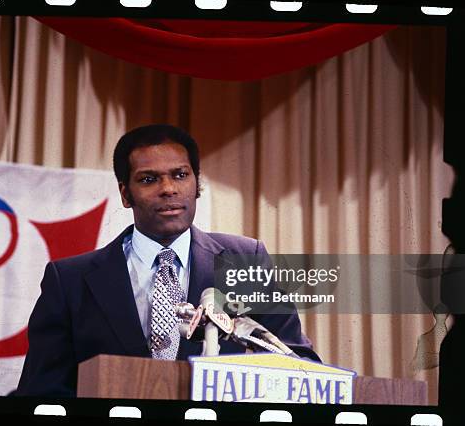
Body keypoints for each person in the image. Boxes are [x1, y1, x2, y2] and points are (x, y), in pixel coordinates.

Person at [17, 124, 319, 397]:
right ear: (126, 194)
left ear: (196, 184)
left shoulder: (245, 259)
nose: (168, 189)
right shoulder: (69, 279)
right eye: (149, 179)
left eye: (180, 175)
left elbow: (297, 363)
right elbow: (41, 391)